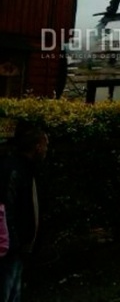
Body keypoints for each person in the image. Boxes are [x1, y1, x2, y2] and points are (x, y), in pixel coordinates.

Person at [0, 122, 49, 302]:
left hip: (18, 244)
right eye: (45, 145)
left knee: (13, 290)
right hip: (10, 246)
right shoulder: (15, 170)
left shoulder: (26, 169)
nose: (46, 150)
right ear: (37, 147)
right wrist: (13, 241)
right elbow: (7, 208)